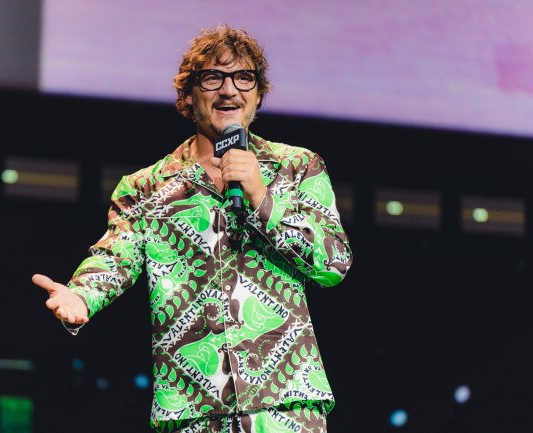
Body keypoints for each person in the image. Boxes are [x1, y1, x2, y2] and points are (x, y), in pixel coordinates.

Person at [32, 25, 352, 433]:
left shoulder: (298, 167)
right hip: (190, 409)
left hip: (284, 402)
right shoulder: (146, 187)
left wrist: (261, 197)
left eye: (243, 78)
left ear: (257, 95)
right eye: (213, 78)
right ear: (188, 94)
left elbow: (334, 263)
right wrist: (81, 295)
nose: (229, 90)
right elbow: (116, 257)